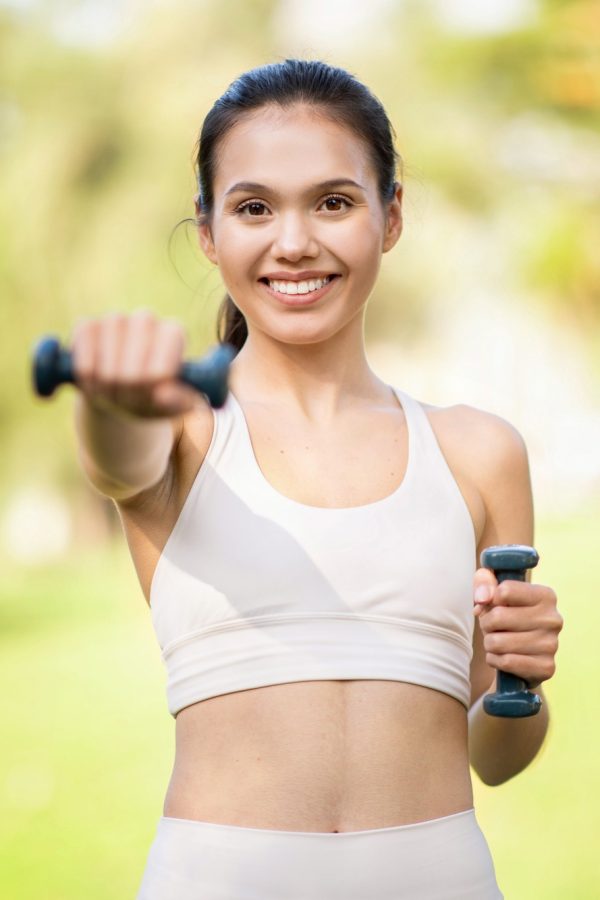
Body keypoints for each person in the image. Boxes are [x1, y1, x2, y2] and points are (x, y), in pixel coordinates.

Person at [71, 60, 562, 899]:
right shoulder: (183, 430)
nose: (294, 242)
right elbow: (116, 457)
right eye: (254, 208)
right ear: (207, 231)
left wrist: (526, 680)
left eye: (333, 202)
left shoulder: (479, 452)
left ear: (391, 215)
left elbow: (497, 755)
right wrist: (112, 399)